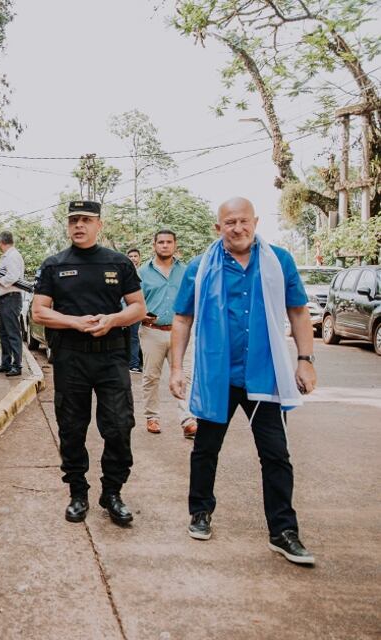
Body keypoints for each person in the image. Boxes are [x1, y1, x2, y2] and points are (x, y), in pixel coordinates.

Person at [170, 197, 317, 565]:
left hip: (265, 376)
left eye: (244, 221)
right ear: (218, 228)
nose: (237, 228)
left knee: (276, 455)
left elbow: (298, 312)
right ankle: (200, 512)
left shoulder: (278, 261)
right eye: (229, 222)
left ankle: (283, 531)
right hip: (217, 374)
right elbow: (182, 319)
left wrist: (305, 361)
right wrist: (176, 369)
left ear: (256, 221)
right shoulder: (200, 266)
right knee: (205, 450)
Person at [31, 201, 146, 526]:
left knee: (120, 426)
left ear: (99, 225)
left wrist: (112, 319)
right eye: (73, 220)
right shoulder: (54, 265)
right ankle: (77, 493)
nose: (78, 225)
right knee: (71, 428)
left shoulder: (119, 263)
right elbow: (39, 311)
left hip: (111, 357)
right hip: (71, 357)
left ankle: (112, 493)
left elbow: (138, 308)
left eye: (86, 220)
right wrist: (75, 322)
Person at [139, 230, 197, 438]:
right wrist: (140, 314)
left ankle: (188, 419)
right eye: (161, 242)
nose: (165, 245)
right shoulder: (142, 272)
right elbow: (129, 300)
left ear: (175, 245)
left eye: (169, 242)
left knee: (186, 376)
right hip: (151, 332)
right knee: (151, 376)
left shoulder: (186, 270)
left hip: (180, 333)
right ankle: (152, 417)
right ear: (154, 245)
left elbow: (195, 296)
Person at [0, 231, 26, 376]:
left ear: (0, 242)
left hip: (11, 299)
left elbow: (13, 277)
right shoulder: (6, 256)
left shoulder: (13, 256)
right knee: (3, 333)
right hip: (4, 298)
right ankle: (6, 363)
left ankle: (17, 365)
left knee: (12, 333)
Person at [126, 248, 143, 373]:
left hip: (144, 310)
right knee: (133, 337)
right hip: (128, 310)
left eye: (135, 256)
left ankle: (137, 362)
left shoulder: (144, 272)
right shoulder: (124, 272)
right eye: (130, 256)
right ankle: (133, 364)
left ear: (139, 258)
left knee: (139, 337)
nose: (133, 258)